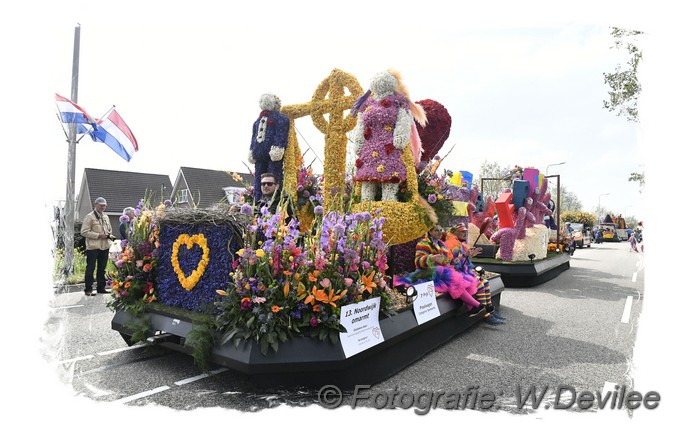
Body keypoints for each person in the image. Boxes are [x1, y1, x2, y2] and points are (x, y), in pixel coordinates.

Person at [394, 224, 485, 317]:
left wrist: (461, 257)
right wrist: (431, 258)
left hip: (441, 272)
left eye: (441, 230)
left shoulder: (442, 244)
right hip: (426, 272)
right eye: (437, 230)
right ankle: (477, 305)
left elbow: (448, 261)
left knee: (458, 280)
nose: (440, 232)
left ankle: (472, 308)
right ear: (430, 231)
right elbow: (418, 262)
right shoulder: (423, 243)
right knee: (451, 278)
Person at [446, 222, 506, 325]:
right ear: (454, 232)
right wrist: (465, 255)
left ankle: (490, 311)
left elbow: (463, 262)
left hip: (463, 273)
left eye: (466, 232)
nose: (465, 234)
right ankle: (486, 315)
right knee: (481, 284)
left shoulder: (461, 244)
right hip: (456, 275)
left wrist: (470, 255)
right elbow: (454, 264)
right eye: (462, 232)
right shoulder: (452, 244)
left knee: (485, 282)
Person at [248, 93, 290, 201]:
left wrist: (278, 147)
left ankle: (274, 203)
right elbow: (254, 136)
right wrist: (252, 150)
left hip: (272, 155)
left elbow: (281, 133)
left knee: (273, 177)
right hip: (259, 154)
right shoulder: (257, 121)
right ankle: (257, 202)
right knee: (258, 180)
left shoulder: (281, 119)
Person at [80, 197, 113, 296]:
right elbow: (84, 232)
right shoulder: (89, 217)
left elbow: (110, 229)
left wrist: (109, 235)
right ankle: (88, 289)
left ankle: (101, 287)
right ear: (96, 205)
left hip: (105, 246)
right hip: (93, 247)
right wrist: (98, 235)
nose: (103, 207)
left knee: (102, 268)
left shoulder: (106, 216)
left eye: (104, 205)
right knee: (90, 268)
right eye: (101, 205)